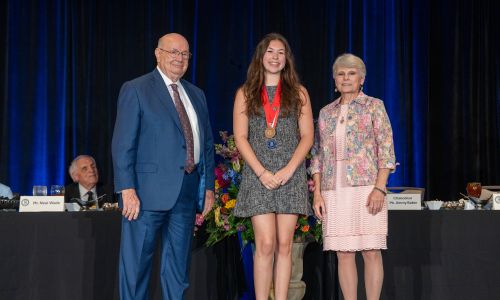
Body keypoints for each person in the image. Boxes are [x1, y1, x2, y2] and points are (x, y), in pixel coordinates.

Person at [111, 33, 215, 300]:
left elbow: (206, 145)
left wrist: (209, 189)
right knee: (136, 270)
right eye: (173, 52)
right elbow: (123, 145)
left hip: (186, 194)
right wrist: (126, 189)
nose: (179, 59)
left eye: (185, 54)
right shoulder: (136, 89)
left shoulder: (197, 94)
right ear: (158, 54)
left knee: (177, 272)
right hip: (144, 196)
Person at [233, 33, 314, 300]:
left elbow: (307, 137)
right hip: (259, 177)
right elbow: (241, 138)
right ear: (261, 56)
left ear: (286, 59)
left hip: (290, 176)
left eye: (281, 52)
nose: (275, 57)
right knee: (265, 244)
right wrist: (262, 172)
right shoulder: (245, 93)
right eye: (270, 52)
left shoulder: (299, 93)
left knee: (284, 245)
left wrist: (290, 170)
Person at [310, 53, 396, 300]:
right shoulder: (326, 112)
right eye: (340, 73)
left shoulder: (374, 106)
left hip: (368, 188)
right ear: (334, 80)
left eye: (351, 73)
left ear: (362, 79)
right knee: (343, 253)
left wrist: (380, 188)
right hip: (333, 190)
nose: (346, 78)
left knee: (370, 250)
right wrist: (317, 192)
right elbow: (317, 155)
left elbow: (387, 149)